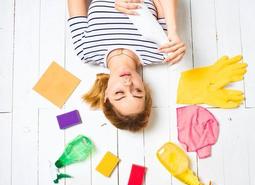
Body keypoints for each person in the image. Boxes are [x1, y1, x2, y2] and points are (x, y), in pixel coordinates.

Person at [67, 0, 186, 131]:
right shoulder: (162, 51)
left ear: (106, 95)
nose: (128, 84)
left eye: (119, 93)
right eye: (138, 91)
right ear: (144, 90)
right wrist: (173, 31)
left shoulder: (85, 51)